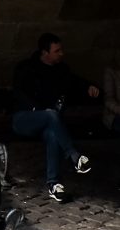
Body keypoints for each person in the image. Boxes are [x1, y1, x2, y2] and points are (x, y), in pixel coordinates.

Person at [12, 32, 99, 200]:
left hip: (48, 123)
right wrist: (37, 109)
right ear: (45, 53)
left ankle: (54, 184)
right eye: (57, 51)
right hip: (24, 119)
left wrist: (89, 87)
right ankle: (74, 156)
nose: (61, 53)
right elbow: (19, 93)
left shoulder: (61, 70)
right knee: (51, 116)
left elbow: (75, 81)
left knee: (53, 135)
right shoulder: (25, 68)